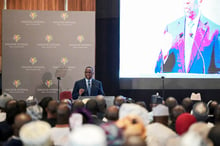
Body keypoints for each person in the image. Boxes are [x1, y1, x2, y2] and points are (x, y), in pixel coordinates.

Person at [155, 0, 220, 74]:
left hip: (201, 85)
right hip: (176, 85)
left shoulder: (215, 31)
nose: (186, 2)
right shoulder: (171, 29)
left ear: (200, 1)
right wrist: (164, 56)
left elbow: (218, 72)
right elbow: (159, 71)